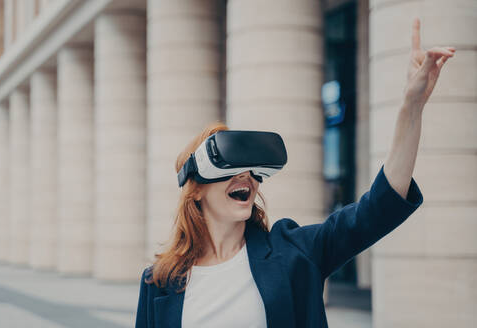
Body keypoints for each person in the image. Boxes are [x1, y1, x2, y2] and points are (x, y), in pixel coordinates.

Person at [135, 18, 455, 328]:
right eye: (230, 166)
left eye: (253, 170)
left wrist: (411, 107)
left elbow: (378, 209)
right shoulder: (159, 281)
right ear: (197, 188)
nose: (247, 176)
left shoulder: (294, 252)